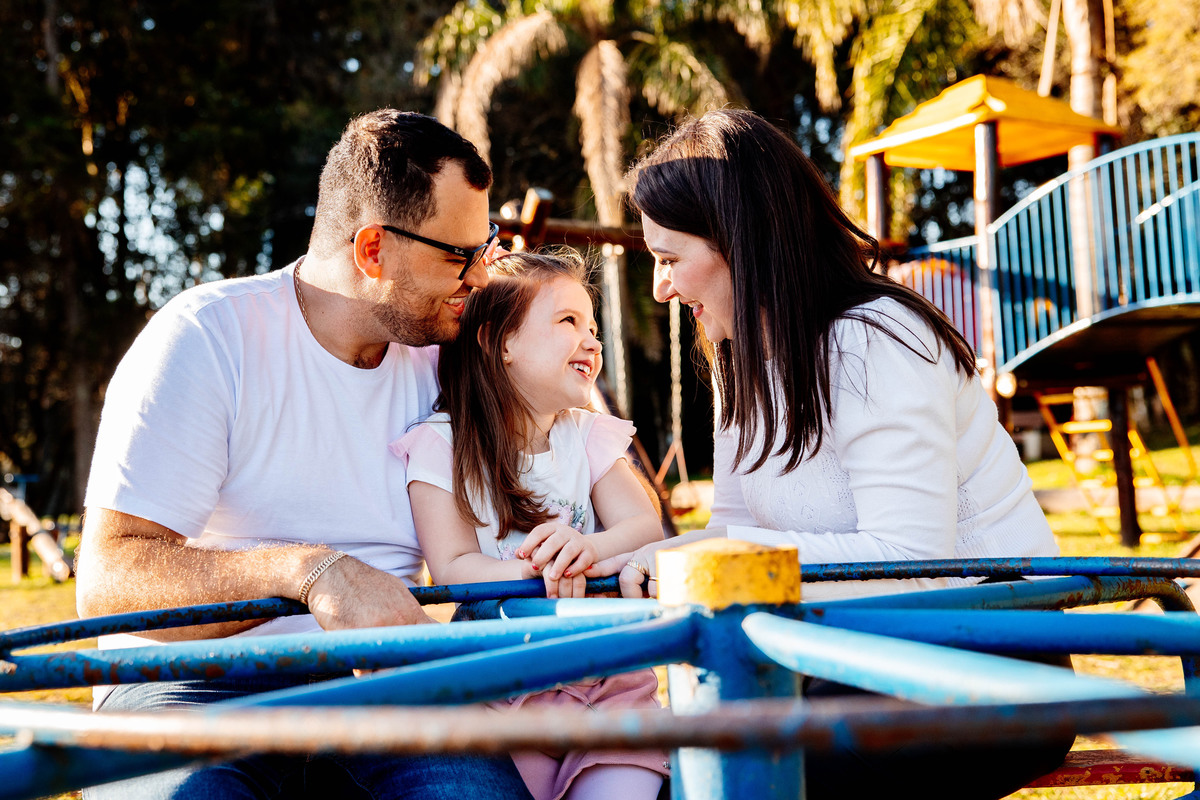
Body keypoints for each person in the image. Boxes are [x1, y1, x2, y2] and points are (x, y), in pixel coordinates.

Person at [608, 109, 1071, 799]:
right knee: (684, 769)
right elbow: (734, 530)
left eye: (670, 259)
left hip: (992, 658)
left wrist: (712, 556)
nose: (660, 288)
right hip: (854, 656)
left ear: (741, 240)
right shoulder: (744, 362)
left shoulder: (873, 339)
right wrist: (638, 556)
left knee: (740, 774)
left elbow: (910, 562)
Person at [74, 110, 533, 800]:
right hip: (193, 682)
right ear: (373, 250)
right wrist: (309, 572)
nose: (480, 274)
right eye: (457, 255)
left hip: (383, 681)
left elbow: (573, 456)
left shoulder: (450, 355)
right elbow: (109, 578)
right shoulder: (207, 337)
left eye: (486, 245)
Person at [390, 251, 669, 800]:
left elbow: (644, 527)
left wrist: (586, 548)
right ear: (501, 342)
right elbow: (453, 566)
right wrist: (537, 570)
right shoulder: (441, 444)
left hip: (604, 681)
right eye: (568, 321)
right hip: (502, 688)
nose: (592, 341)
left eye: (593, 328)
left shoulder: (587, 435)